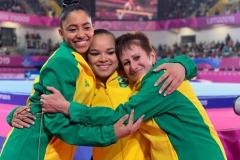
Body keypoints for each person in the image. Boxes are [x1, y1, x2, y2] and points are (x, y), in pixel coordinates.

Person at [8, 29, 197, 160]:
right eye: (95, 53)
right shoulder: (81, 85)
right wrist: (14, 114)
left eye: (110, 52)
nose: (104, 58)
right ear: (86, 57)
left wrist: (182, 65)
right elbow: (39, 99)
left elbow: (154, 65)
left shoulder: (131, 76)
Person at [0, 4, 144, 160]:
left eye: (86, 27)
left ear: (92, 28)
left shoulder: (84, 64)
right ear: (61, 33)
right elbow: (56, 123)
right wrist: (110, 134)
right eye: (72, 29)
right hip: (34, 152)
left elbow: (36, 98)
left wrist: (175, 63)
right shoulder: (64, 61)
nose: (81, 34)